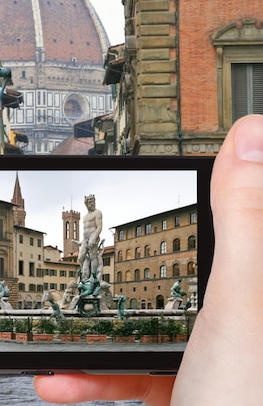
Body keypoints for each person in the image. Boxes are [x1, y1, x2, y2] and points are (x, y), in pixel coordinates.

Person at [35, 114, 263, 405]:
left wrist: (91, 241)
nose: (90, 206)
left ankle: (90, 288)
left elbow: (100, 230)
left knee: (92, 270)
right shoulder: (85, 219)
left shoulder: (96, 216)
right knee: (84, 268)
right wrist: (83, 242)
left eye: (91, 203)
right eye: (87, 204)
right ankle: (87, 287)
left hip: (93, 245)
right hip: (85, 246)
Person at [78, 194, 103, 279]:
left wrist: (94, 238)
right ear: (86, 203)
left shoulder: (97, 213)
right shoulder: (84, 217)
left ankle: (93, 276)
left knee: (93, 257)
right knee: (80, 257)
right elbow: (85, 230)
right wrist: (81, 242)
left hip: (93, 236)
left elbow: (99, 227)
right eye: (90, 202)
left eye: (93, 201)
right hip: (85, 238)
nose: (92, 204)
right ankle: (84, 275)